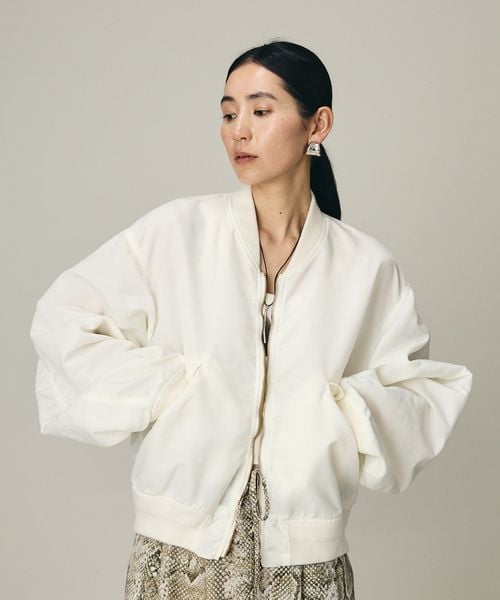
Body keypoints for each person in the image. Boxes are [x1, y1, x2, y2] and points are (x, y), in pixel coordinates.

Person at [29, 40, 473, 599]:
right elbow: (64, 319)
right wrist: (175, 387)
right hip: (179, 563)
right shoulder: (177, 234)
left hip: (307, 569)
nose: (239, 130)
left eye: (260, 111)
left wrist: (332, 413)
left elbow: (417, 395)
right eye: (228, 113)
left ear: (318, 125)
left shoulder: (365, 267)